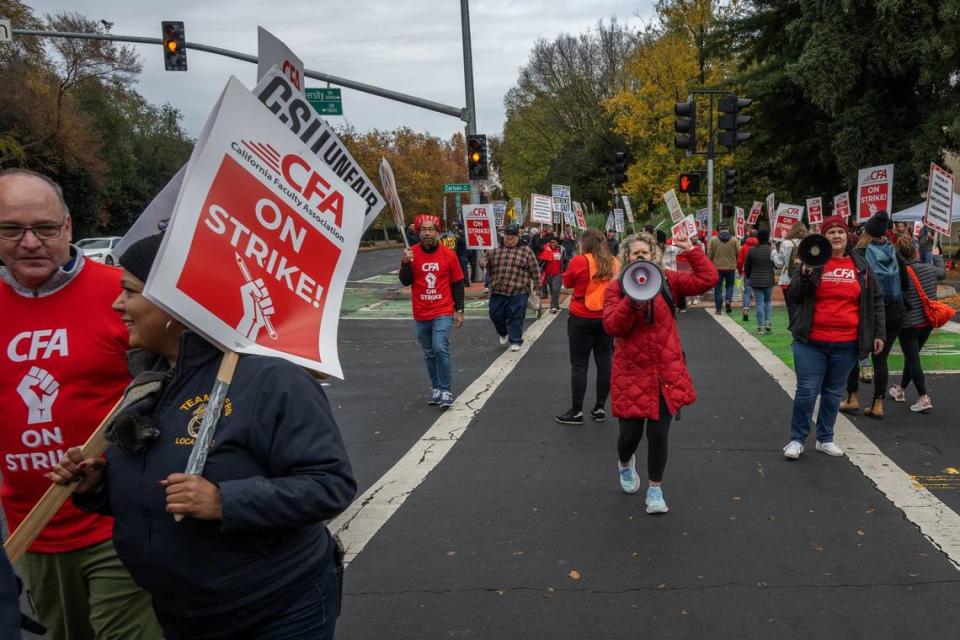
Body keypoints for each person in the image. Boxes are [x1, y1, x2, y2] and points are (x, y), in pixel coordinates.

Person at [46, 233, 357, 639]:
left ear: (175, 304)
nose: (118, 304)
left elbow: (330, 484)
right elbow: (154, 488)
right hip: (185, 615)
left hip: (275, 609)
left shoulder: (272, 379)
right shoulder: (147, 382)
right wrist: (98, 486)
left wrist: (224, 501)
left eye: (130, 291)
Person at [0, 168, 162, 640]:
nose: (30, 242)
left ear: (68, 228)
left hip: (117, 522)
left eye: (45, 229)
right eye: (11, 229)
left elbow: (173, 384)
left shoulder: (121, 293)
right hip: (33, 530)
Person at [604, 230, 718, 513]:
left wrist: (692, 251)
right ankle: (624, 463)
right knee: (629, 436)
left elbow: (708, 279)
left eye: (644, 252)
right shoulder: (616, 288)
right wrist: (631, 298)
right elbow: (612, 327)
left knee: (658, 436)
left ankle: (655, 489)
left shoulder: (667, 280)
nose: (640, 256)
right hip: (631, 372)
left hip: (665, 372)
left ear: (652, 255)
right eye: (634, 253)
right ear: (626, 258)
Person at [783, 216, 885, 459]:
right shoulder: (812, 262)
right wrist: (805, 275)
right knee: (807, 391)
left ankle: (825, 438)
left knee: (832, 393)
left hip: (847, 344)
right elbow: (795, 296)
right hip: (811, 342)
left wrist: (878, 333)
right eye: (831, 232)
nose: (836, 236)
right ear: (823, 238)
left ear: (847, 236)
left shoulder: (860, 265)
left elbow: (876, 300)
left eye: (840, 231)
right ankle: (797, 440)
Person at [839, 211, 906, 418]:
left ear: (865, 232)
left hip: (867, 311)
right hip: (894, 312)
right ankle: (878, 404)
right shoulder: (894, 252)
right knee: (882, 359)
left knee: (854, 354)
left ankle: (852, 398)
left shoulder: (858, 254)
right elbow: (906, 283)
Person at [400, 215, 465, 407]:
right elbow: (405, 281)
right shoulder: (411, 253)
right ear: (418, 232)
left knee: (440, 348)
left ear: (438, 232)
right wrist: (406, 263)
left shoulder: (448, 255)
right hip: (421, 312)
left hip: (442, 310)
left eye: (431, 229)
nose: (427, 233)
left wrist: (459, 310)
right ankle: (436, 387)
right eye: (423, 230)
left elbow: (457, 283)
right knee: (429, 352)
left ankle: (446, 390)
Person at [556, 229, 619, 424]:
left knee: (579, 365)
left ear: (585, 244)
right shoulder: (614, 262)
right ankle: (600, 407)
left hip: (581, 315)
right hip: (606, 316)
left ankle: (576, 411)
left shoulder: (579, 261)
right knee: (605, 362)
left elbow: (567, 282)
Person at [890, 235, 946, 413]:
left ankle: (923, 397)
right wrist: (935, 254)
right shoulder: (929, 270)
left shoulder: (899, 274)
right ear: (915, 251)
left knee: (913, 360)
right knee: (911, 358)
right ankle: (900, 391)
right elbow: (942, 272)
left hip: (908, 324)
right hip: (927, 322)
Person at [483, 224, 539, 351]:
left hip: (519, 291)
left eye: (512, 236)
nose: (509, 238)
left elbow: (535, 269)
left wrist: (537, 286)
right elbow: (486, 264)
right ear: (503, 236)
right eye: (507, 235)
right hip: (498, 290)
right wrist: (483, 263)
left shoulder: (526, 251)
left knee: (516, 316)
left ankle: (515, 340)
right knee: (494, 314)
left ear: (517, 237)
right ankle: (503, 332)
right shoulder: (494, 250)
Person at [744, 228, 777, 335]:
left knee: (759, 303)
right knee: (768, 302)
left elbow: (747, 266)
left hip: (755, 280)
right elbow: (776, 264)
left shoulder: (752, 250)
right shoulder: (771, 250)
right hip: (768, 280)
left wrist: (749, 276)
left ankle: (760, 327)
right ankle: (768, 322)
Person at [707, 222, 740, 314]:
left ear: (719, 229)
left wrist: (710, 266)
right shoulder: (734, 240)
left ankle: (718, 309)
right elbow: (739, 253)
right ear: (728, 228)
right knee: (730, 285)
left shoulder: (713, 240)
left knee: (718, 288)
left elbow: (709, 255)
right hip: (731, 267)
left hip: (717, 268)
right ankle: (728, 300)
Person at [772, 221, 807, 300]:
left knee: (791, 308)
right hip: (804, 278)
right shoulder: (808, 242)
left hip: (787, 279)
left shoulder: (786, 243)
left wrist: (774, 252)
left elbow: (779, 264)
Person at [737, 228, 759, 322]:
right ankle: (760, 312)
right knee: (759, 292)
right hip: (759, 272)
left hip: (747, 272)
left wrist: (739, 270)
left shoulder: (744, 247)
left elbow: (740, 260)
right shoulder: (760, 246)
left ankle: (746, 308)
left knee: (747, 291)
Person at [538, 236, 564, 313]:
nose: (552, 244)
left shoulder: (561, 250)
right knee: (553, 291)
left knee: (556, 289)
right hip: (548, 274)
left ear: (558, 243)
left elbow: (565, 262)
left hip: (558, 274)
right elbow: (541, 260)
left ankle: (553, 307)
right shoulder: (546, 250)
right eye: (551, 242)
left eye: (554, 242)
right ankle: (556, 305)